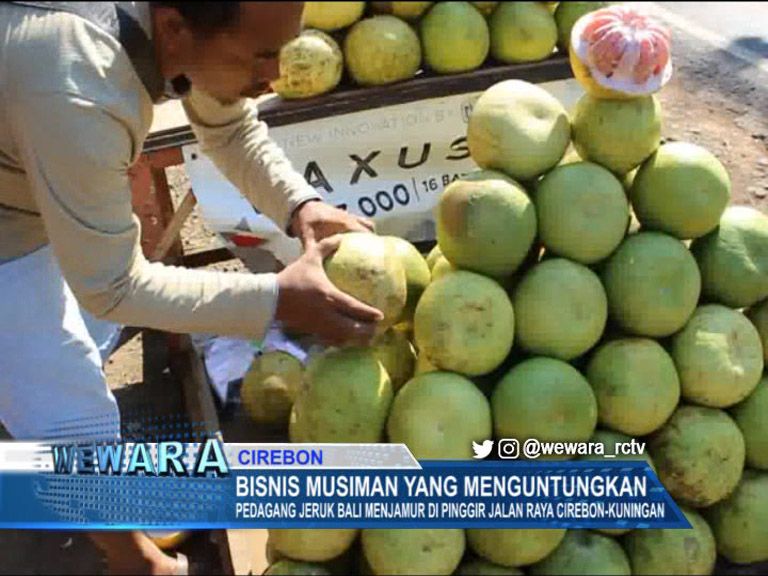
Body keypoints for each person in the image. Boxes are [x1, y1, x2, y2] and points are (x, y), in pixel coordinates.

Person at [0, 2, 382, 573]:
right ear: (175, 30)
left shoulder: (179, 27)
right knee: (68, 412)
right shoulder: (76, 84)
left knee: (68, 342)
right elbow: (113, 286)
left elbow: (228, 124)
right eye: (260, 56)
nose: (275, 76)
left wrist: (300, 205)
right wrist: (277, 300)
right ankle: (137, 561)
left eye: (282, 50)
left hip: (29, 171)